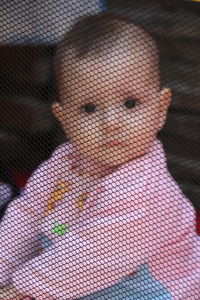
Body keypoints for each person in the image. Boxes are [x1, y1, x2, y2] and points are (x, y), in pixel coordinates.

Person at [0, 13, 199, 300]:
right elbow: (27, 214)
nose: (110, 122)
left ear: (160, 108)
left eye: (130, 103)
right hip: (66, 280)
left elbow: (91, 252)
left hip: (157, 291)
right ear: (64, 118)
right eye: (89, 108)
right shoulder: (64, 163)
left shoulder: (144, 190)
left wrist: (19, 289)